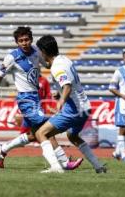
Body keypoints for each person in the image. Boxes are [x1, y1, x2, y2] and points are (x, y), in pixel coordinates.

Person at [0, 27, 83, 170]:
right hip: (25, 100)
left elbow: (50, 65)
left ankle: (2, 149)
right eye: (20, 41)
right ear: (16, 42)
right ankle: (63, 162)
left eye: (26, 40)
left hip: (36, 98)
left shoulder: (36, 52)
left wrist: (60, 83)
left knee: (34, 135)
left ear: (31, 40)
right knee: (47, 128)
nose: (24, 43)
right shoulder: (12, 57)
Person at [35, 35, 106, 173]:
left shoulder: (56, 67)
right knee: (72, 136)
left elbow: (67, 86)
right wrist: (60, 94)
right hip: (85, 106)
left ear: (44, 51)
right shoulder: (65, 59)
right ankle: (99, 167)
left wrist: (61, 100)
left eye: (39, 51)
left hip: (74, 109)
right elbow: (70, 84)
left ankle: (56, 167)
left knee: (41, 133)